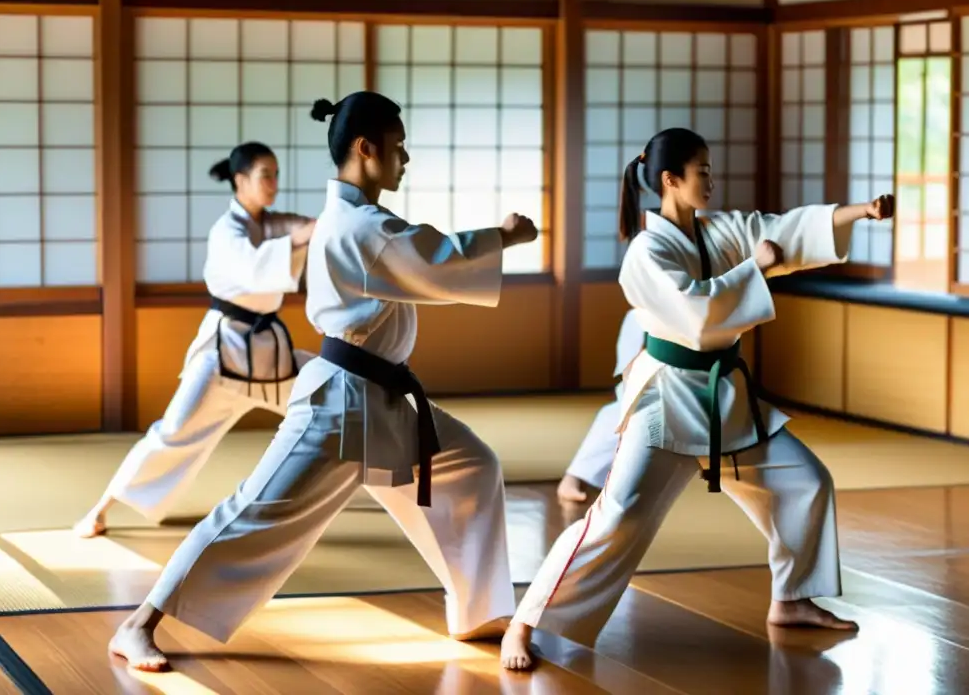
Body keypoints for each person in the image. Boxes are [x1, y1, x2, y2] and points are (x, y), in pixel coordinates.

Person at [107, 91, 539, 672]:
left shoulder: (358, 220)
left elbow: (419, 254)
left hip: (383, 402)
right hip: (340, 404)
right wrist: (502, 236)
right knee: (254, 510)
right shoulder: (359, 223)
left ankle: (478, 610)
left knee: (472, 465)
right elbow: (432, 257)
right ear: (366, 148)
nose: (405, 158)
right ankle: (137, 624)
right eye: (399, 146)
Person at [501, 127, 895, 671]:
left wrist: (860, 212)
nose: (711, 180)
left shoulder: (719, 231)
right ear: (670, 180)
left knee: (804, 482)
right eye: (702, 171)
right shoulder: (646, 252)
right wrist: (755, 267)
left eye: (711, 169)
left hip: (724, 401)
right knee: (615, 518)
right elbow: (696, 314)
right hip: (665, 403)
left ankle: (793, 599)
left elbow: (780, 229)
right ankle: (523, 623)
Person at [74, 143, 316, 539]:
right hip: (224, 354)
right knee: (172, 433)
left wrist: (331, 222)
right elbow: (256, 269)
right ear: (240, 180)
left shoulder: (273, 224)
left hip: (271, 355)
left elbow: (308, 230)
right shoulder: (227, 231)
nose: (273, 183)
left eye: (276, 174)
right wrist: (302, 237)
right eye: (264, 175)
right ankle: (101, 509)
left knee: (328, 399)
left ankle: (357, 483)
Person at [556, 308, 644, 503]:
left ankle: (576, 477)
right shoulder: (641, 316)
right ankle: (575, 477)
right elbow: (629, 371)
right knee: (619, 413)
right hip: (654, 391)